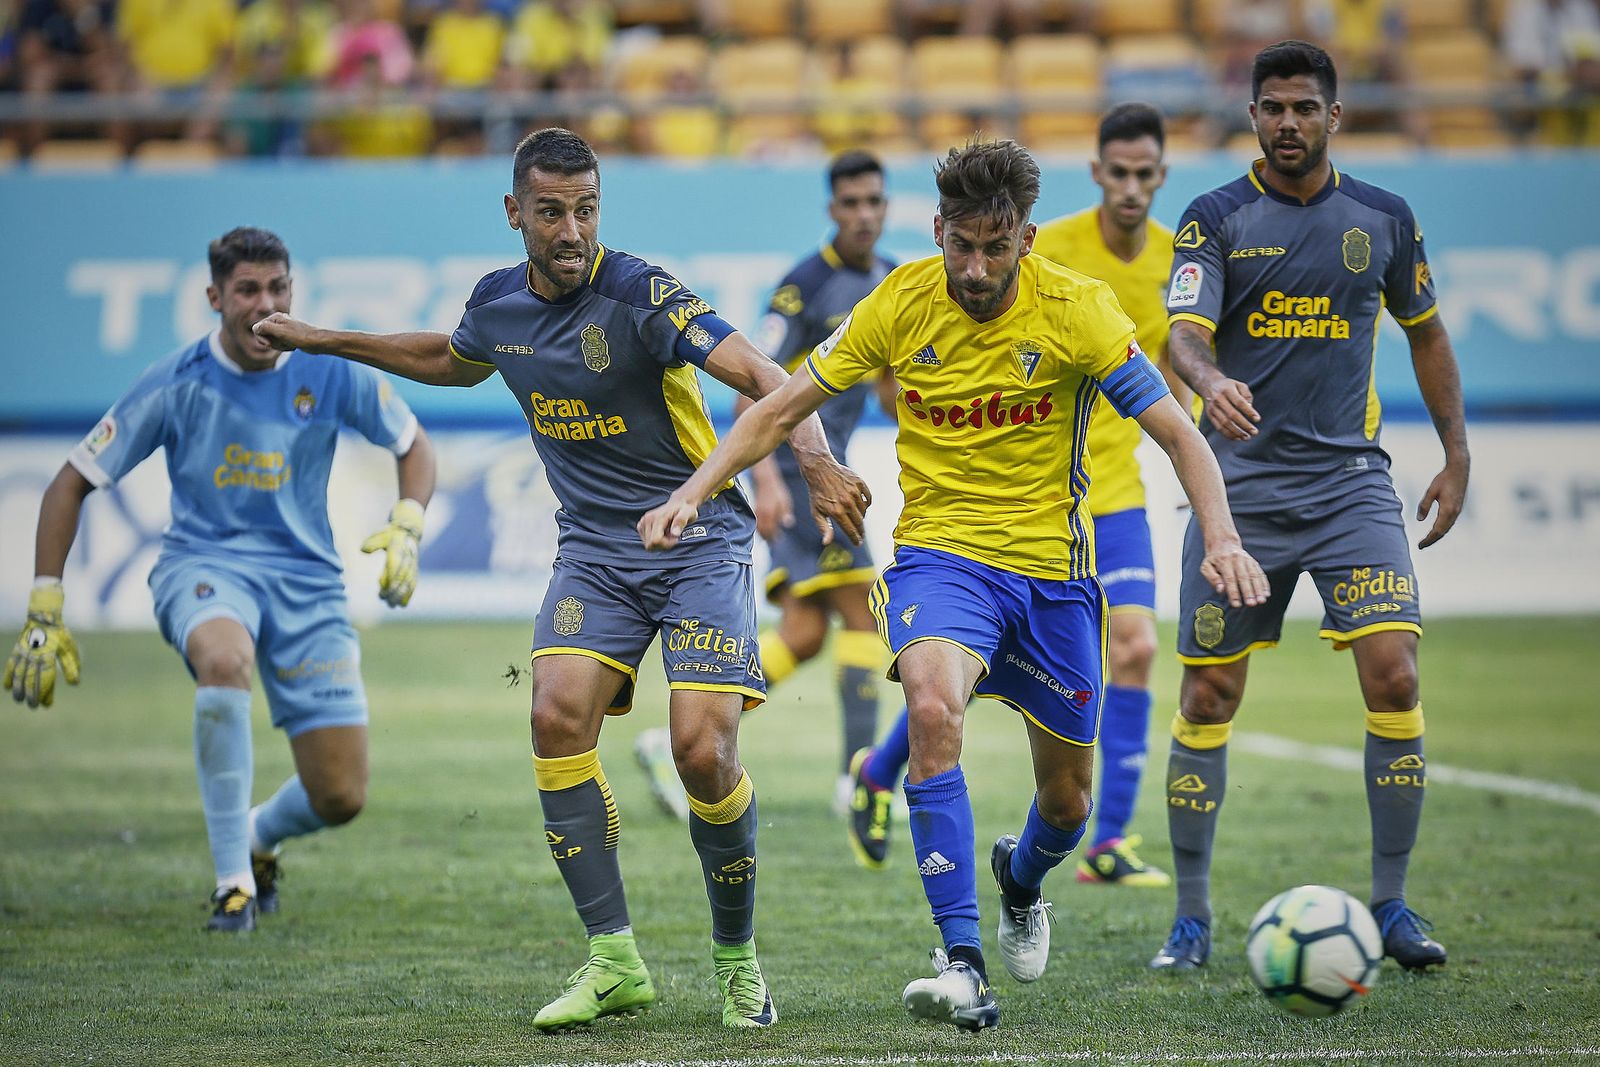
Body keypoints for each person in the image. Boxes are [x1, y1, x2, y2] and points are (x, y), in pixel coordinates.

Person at [639, 138, 1267, 1030]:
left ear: (1026, 238)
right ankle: (962, 959)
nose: (975, 267)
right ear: (936, 230)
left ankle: (1021, 878)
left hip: (1053, 576)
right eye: (960, 244)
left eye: (995, 246)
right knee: (933, 710)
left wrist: (1223, 537)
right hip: (941, 558)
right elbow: (779, 405)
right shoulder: (897, 302)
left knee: (1066, 805)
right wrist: (693, 493)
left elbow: (1180, 434)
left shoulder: (1078, 310)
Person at [252, 128, 869, 1031]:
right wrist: (324, 339)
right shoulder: (497, 306)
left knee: (703, 753)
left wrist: (814, 461)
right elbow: (449, 360)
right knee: (552, 715)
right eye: (551, 212)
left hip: (698, 540)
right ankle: (613, 959)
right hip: (594, 551)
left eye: (586, 210)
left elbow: (763, 372)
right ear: (515, 214)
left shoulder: (642, 292)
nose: (572, 229)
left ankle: (737, 960)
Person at [5, 226, 436, 933]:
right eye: (247, 290)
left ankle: (259, 838)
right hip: (204, 566)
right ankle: (232, 883)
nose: (265, 305)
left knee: (341, 795)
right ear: (214, 297)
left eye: (278, 288)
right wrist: (46, 604)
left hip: (307, 581)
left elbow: (413, 444)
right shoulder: (177, 381)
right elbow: (69, 482)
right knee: (223, 657)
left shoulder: (329, 368)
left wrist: (409, 524)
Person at [1148, 40, 1468, 975]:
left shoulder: (1385, 219)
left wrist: (1456, 452)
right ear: (1252, 117)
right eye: (1272, 107)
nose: (1288, 121)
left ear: (1337, 117)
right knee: (1209, 690)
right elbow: (1182, 334)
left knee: (1396, 677)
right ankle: (1193, 916)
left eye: (1304, 107)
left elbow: (1428, 333)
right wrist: (1208, 378)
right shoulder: (1214, 219)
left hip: (1349, 488)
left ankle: (1394, 903)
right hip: (1239, 492)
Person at [846, 104, 1185, 885]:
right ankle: (883, 772)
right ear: (1097, 173)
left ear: (1162, 177)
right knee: (952, 677)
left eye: (1146, 174)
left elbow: (1177, 373)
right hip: (995, 503)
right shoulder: (1042, 245)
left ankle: (1105, 839)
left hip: (1110, 489)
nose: (1131, 188)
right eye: (1119, 172)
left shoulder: (1174, 264)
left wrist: (1206, 476)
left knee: (1134, 648)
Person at [634, 150, 896, 827]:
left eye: (874, 201)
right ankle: (857, 777)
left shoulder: (893, 280)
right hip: (810, 475)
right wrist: (770, 477)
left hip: (833, 469)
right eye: (851, 203)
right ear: (831, 210)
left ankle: (671, 743)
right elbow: (752, 383)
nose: (865, 215)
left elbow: (892, 383)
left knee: (806, 634)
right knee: (865, 615)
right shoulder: (802, 287)